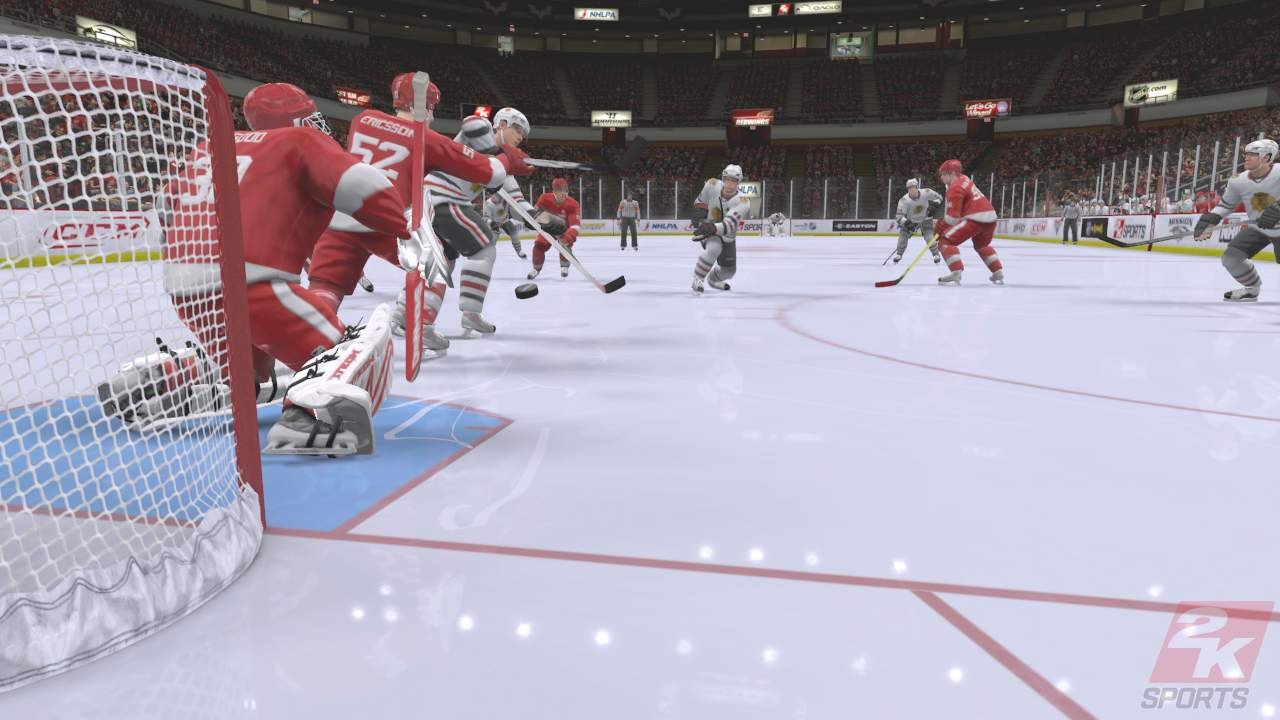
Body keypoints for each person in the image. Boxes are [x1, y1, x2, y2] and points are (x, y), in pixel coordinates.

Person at [112, 83, 413, 456]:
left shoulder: (207, 148)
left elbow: (166, 209)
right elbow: (363, 187)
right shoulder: (299, 141)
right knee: (348, 350)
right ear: (295, 118)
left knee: (251, 365)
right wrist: (407, 229)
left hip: (185, 290)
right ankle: (308, 421)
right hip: (254, 283)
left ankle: (170, 380)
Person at [307, 79, 534, 350]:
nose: (434, 117)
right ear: (426, 108)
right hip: (387, 219)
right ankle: (421, 326)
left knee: (327, 284)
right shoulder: (428, 138)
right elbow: (490, 171)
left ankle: (313, 337)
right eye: (433, 110)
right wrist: (507, 159)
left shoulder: (363, 119)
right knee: (436, 264)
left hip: (342, 217)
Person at [423, 107, 538, 335]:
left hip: (432, 202)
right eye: (517, 129)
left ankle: (409, 317)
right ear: (502, 124)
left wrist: (539, 219)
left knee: (443, 261)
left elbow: (517, 203)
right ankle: (471, 314)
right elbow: (471, 122)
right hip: (443, 199)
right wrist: (500, 155)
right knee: (484, 248)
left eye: (523, 134)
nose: (520, 137)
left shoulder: (503, 164)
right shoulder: (482, 131)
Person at [1194, 138, 1280, 302]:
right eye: (1246, 154)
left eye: (1253, 154)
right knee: (1231, 258)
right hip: (1259, 227)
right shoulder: (1238, 180)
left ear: (1267, 157)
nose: (1247, 157)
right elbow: (1226, 205)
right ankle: (1251, 289)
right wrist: (1211, 218)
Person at [935, 158, 1003, 286]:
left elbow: (952, 219)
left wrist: (939, 227)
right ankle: (997, 271)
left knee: (945, 241)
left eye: (943, 174)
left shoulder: (954, 188)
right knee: (982, 245)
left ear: (952, 173)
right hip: (991, 218)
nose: (941, 177)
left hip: (975, 218)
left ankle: (956, 272)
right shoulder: (964, 178)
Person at [690, 164, 750, 295]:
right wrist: (698, 213)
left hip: (727, 235)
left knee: (729, 271)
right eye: (727, 179)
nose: (729, 184)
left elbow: (729, 225)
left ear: (738, 182)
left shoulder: (743, 202)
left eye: (733, 181)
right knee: (714, 248)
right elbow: (700, 201)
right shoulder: (711, 185)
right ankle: (698, 279)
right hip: (710, 230)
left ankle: (713, 280)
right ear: (723, 178)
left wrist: (710, 227)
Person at [529, 177, 581, 279]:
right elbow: (535, 214)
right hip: (548, 229)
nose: (563, 193)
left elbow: (575, 225)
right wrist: (540, 222)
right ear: (554, 191)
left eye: (565, 190)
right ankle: (536, 269)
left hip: (564, 231)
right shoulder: (545, 198)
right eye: (559, 190)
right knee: (539, 245)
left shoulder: (573, 204)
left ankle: (564, 266)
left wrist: (568, 236)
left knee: (565, 245)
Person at [892, 179, 943, 263]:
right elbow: (899, 217)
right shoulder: (904, 200)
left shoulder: (926, 192)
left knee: (929, 236)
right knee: (903, 236)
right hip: (911, 220)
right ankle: (899, 254)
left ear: (917, 187)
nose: (912, 189)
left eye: (913, 187)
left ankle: (935, 254)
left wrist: (935, 204)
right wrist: (907, 223)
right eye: (909, 188)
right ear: (907, 189)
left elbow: (939, 197)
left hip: (926, 219)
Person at [484, 192, 526, 259]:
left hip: (505, 220)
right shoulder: (488, 204)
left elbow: (512, 207)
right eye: (493, 195)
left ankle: (519, 252)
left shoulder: (504, 200)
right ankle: (488, 253)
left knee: (514, 233)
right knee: (493, 239)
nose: (495, 198)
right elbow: (485, 218)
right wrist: (491, 223)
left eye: (498, 196)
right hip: (494, 222)